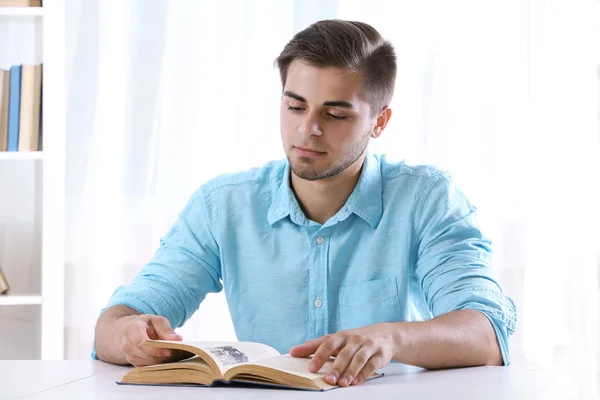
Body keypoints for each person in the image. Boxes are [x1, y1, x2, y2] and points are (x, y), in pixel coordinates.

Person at [93, 19, 516, 387]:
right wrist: (129, 332)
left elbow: (487, 332)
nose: (308, 129)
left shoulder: (427, 198)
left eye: (334, 115)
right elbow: (116, 323)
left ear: (379, 122)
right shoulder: (223, 204)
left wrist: (391, 337)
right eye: (295, 106)